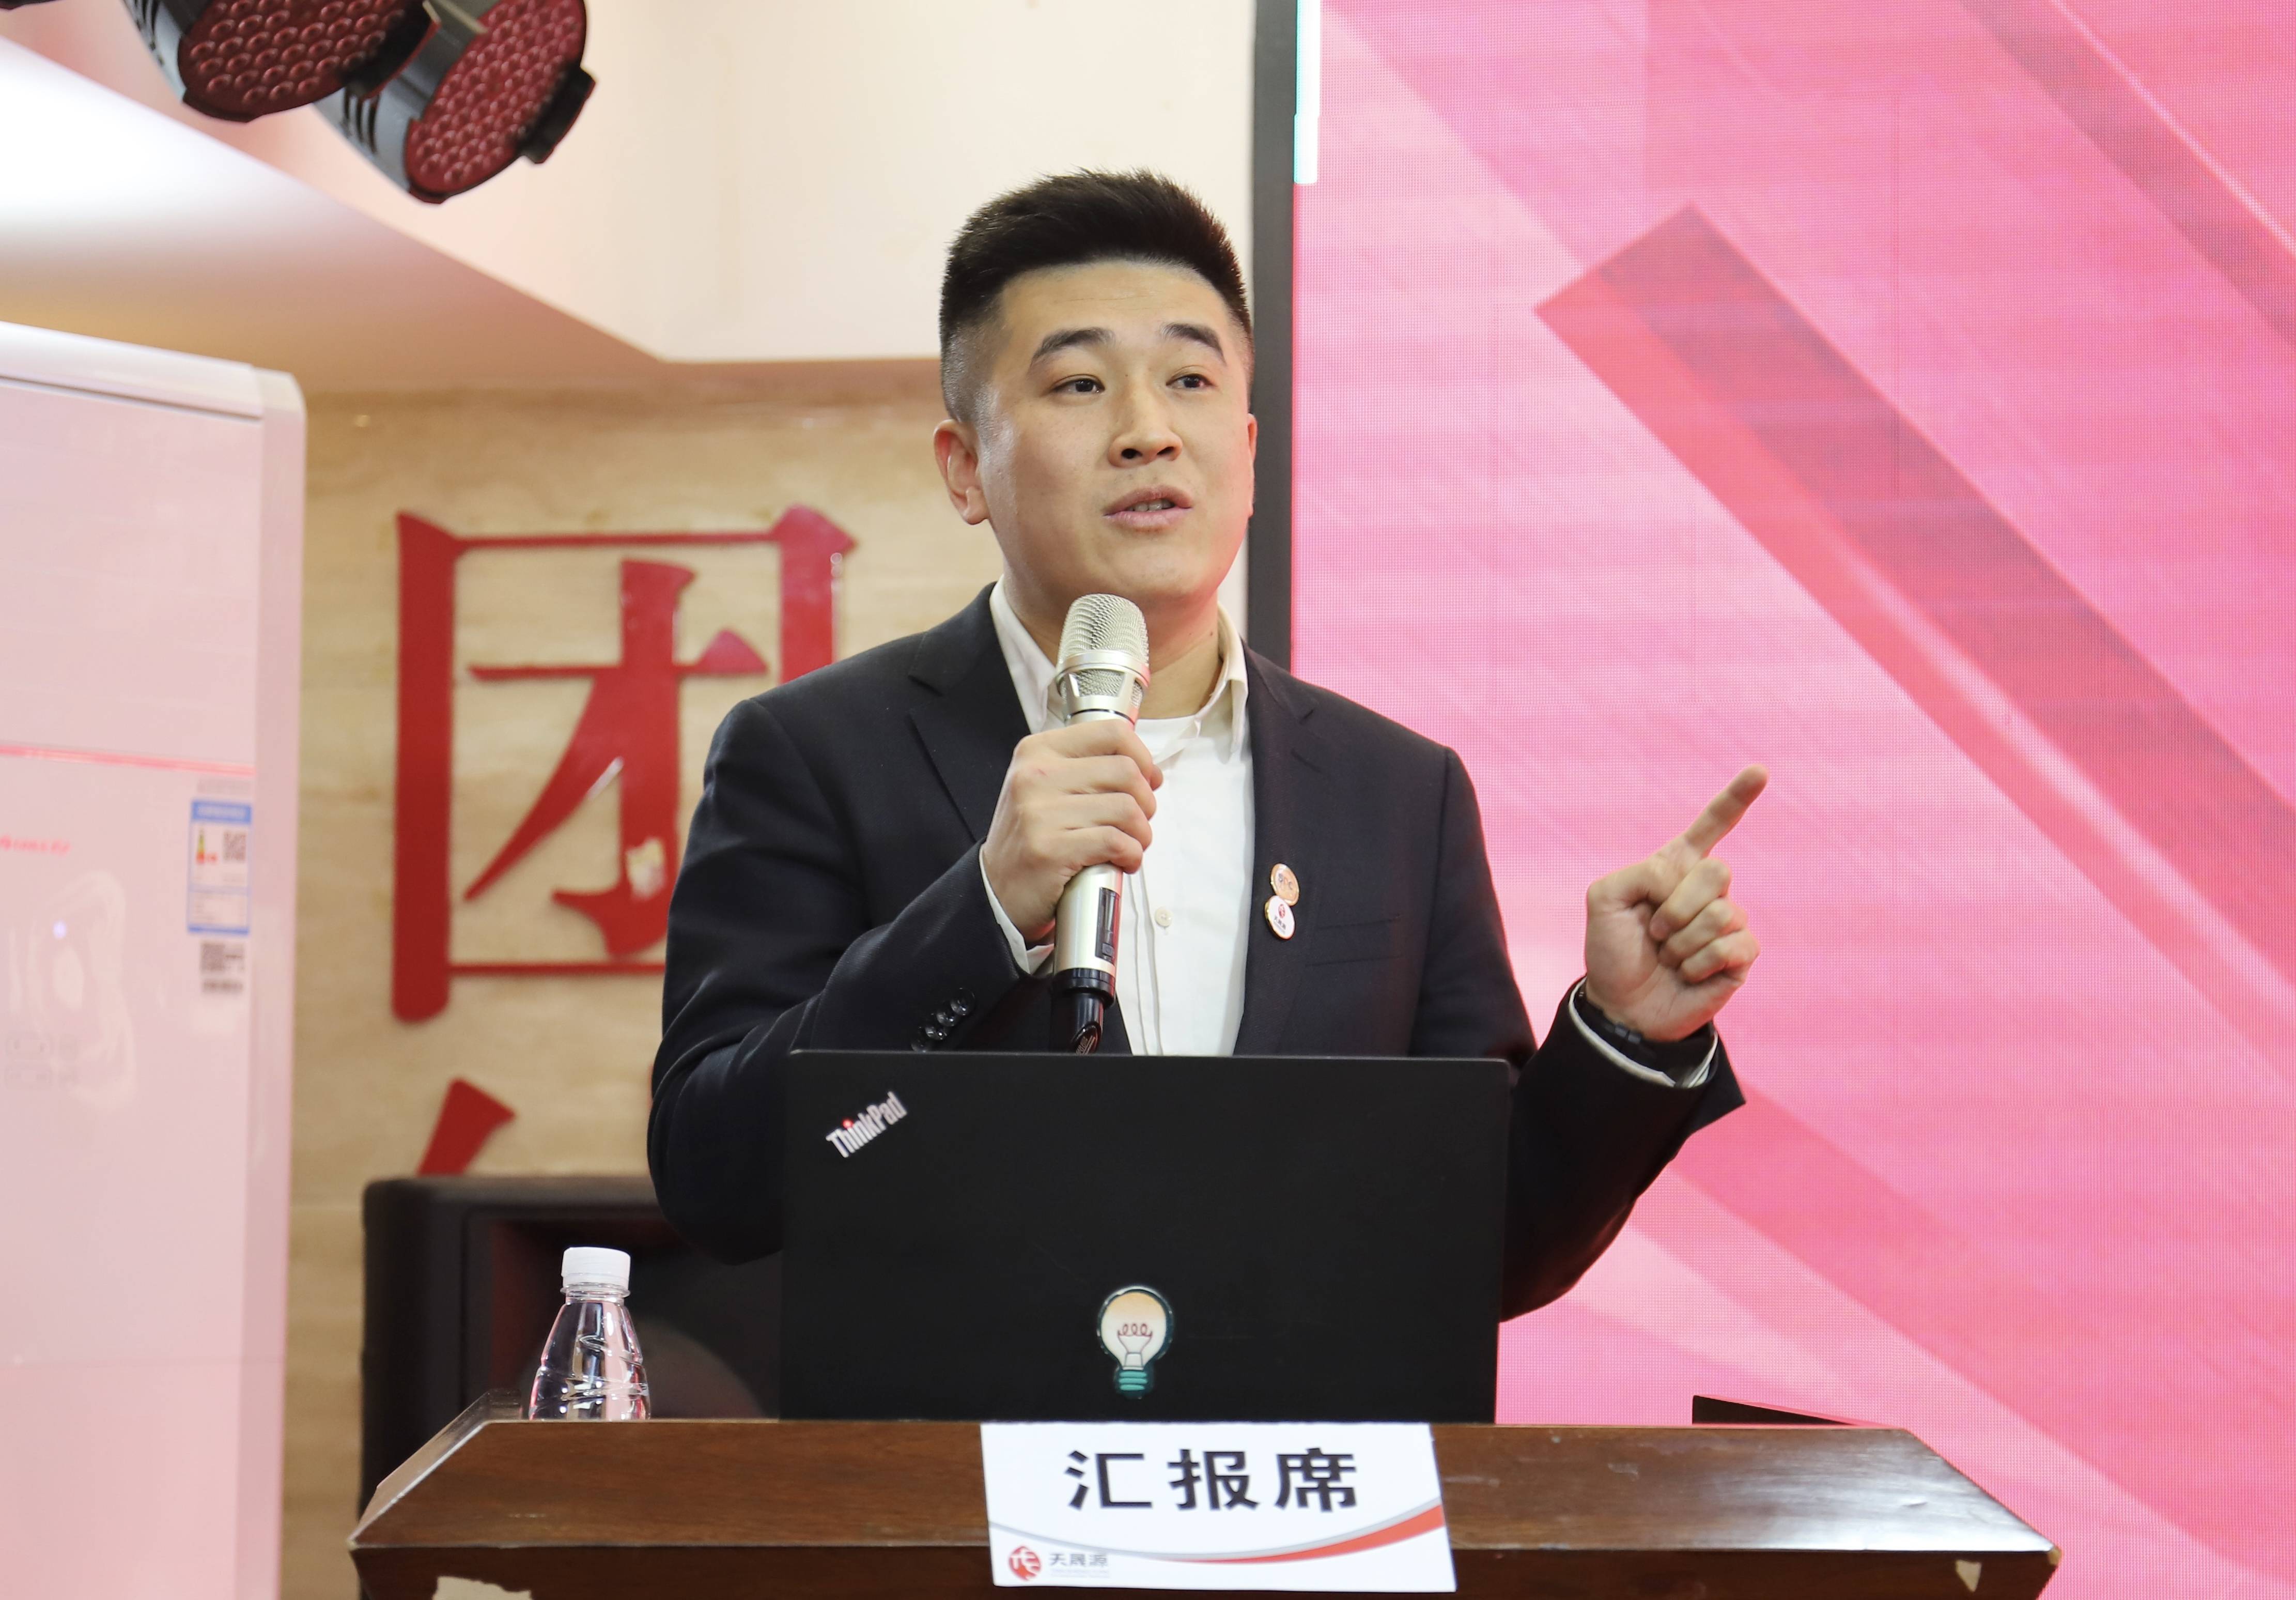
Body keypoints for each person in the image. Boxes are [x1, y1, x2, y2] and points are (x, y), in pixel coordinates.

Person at [650, 171, 1764, 1317]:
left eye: (1189, 380)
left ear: (1247, 448)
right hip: (958, 1435)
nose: (1148, 432)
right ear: (964, 467)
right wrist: (981, 914)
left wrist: (1625, 1034)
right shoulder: (812, 752)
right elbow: (716, 1176)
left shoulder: (1396, 792)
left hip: (1303, 1434)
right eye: (1079, 385)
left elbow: (1484, 1245)